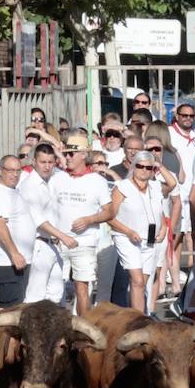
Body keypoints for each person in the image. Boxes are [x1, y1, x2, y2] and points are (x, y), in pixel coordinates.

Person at [53, 133, 116, 316]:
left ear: (83, 155)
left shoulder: (97, 181)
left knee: (82, 288)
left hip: (85, 241)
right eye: (66, 154)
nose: (67, 158)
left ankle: (83, 330)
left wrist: (89, 220)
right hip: (59, 241)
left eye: (71, 154)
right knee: (57, 289)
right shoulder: (58, 178)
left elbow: (109, 211)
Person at [109, 150, 174, 312]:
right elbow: (109, 216)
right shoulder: (122, 187)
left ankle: (135, 315)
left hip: (150, 239)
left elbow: (172, 184)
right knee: (137, 281)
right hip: (127, 238)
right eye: (140, 166)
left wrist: (159, 165)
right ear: (133, 166)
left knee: (141, 284)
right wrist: (128, 231)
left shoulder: (155, 186)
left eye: (149, 168)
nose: (144, 170)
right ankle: (139, 320)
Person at [18, 142, 78, 305]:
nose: (47, 166)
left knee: (57, 294)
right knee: (35, 296)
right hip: (38, 245)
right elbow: (39, 221)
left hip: (53, 244)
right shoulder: (29, 186)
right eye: (42, 162)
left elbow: (69, 171)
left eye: (50, 162)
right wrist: (63, 236)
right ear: (34, 162)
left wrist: (59, 154)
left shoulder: (53, 179)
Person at [0, 154, 37, 311]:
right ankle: (5, 336)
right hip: (7, 261)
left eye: (18, 171)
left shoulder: (12, 191)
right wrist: (14, 253)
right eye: (10, 170)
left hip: (16, 260)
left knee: (6, 305)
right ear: (1, 171)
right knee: (10, 310)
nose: (15, 174)